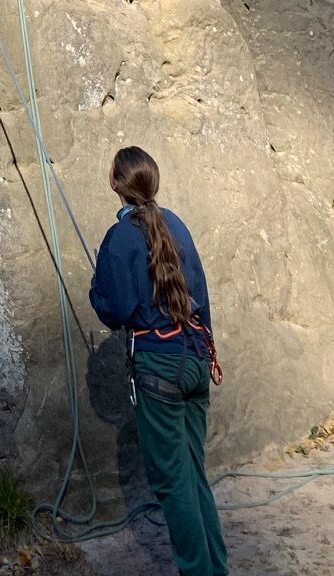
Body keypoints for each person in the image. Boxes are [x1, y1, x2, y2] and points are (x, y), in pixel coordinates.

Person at [89, 146, 228, 576]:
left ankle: (198, 571)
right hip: (195, 358)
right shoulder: (176, 224)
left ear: (114, 183)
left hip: (159, 368)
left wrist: (97, 287)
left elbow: (115, 309)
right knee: (194, 472)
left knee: (173, 481)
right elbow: (200, 293)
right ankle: (216, 568)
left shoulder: (120, 237)